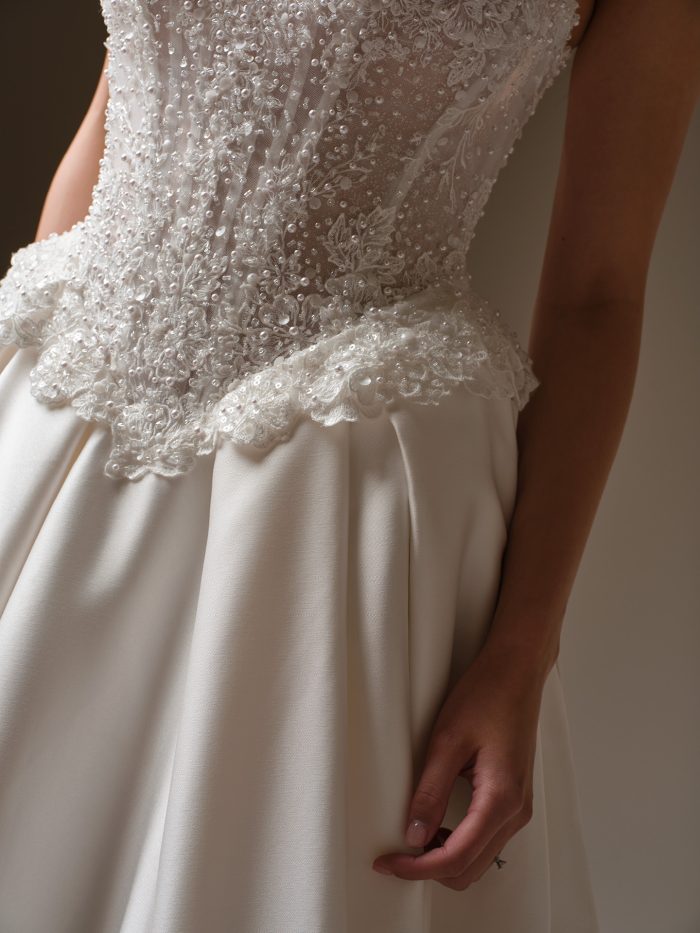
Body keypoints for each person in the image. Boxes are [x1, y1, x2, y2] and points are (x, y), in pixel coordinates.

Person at [0, 1, 697, 931]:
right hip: (61, 425)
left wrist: (523, 649)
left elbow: (598, 296)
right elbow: (115, 112)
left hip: (337, 502)